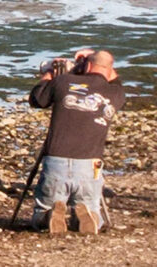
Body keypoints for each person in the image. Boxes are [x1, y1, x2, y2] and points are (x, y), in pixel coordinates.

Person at [29, 49, 124, 235]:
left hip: (56, 162)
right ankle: (89, 217)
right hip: (90, 165)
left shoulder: (62, 82)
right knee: (90, 206)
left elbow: (36, 99)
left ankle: (49, 216)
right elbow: (111, 76)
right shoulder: (116, 93)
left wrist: (50, 74)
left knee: (40, 214)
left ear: (87, 65)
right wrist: (92, 57)